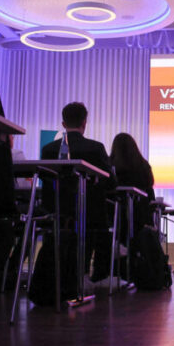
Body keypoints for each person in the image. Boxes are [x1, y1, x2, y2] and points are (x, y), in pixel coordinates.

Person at [41, 103, 117, 283]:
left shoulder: (48, 149)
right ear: (85, 122)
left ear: (63, 124)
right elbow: (112, 183)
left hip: (56, 213)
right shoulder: (95, 148)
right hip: (90, 214)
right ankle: (88, 276)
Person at [110, 133, 156, 232]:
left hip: (114, 216)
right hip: (141, 218)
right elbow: (150, 190)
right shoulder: (144, 166)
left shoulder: (109, 165)